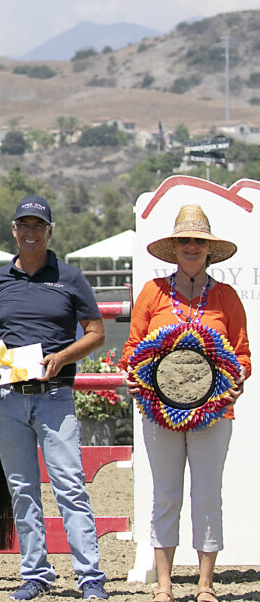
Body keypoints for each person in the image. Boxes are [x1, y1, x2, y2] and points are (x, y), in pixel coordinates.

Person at [0, 195, 108, 600]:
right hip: (8, 399)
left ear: (49, 231)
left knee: (70, 486)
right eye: (24, 225)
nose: (30, 232)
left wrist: (64, 357)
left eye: (38, 225)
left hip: (54, 396)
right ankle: (35, 573)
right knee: (21, 488)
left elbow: (96, 333)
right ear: (14, 231)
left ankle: (90, 577)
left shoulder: (70, 277)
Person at [120, 205, 249, 602]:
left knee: (208, 494)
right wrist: (130, 373)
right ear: (173, 247)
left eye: (198, 241)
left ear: (209, 250)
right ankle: (163, 585)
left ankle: (206, 585)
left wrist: (236, 383)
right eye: (184, 240)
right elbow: (132, 348)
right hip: (159, 414)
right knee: (165, 494)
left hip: (215, 414)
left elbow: (242, 355)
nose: (191, 246)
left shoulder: (226, 297)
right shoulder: (152, 293)